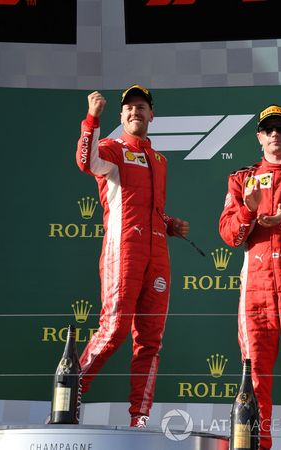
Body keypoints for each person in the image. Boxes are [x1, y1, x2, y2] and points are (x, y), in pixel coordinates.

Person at [75, 84, 190, 428]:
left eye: (142, 107)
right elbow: (86, 162)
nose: (135, 111)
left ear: (151, 115)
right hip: (123, 250)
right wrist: (91, 119)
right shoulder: (111, 148)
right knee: (113, 330)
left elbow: (149, 208)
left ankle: (139, 417)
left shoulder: (159, 159)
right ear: (122, 115)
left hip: (157, 254)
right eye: (129, 108)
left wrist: (168, 223)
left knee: (151, 340)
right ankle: (70, 393)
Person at [219, 104, 281, 450]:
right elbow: (229, 234)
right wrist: (250, 211)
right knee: (255, 379)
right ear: (259, 137)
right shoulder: (243, 178)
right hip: (256, 288)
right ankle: (256, 446)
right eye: (269, 129)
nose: (275, 135)